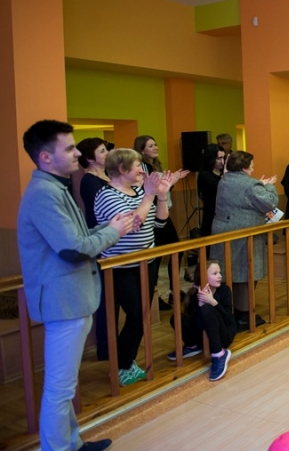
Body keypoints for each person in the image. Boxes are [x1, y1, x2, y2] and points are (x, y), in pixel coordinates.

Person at [18, 120, 134, 451]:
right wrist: (113, 232)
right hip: (63, 301)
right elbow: (74, 248)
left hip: (71, 298)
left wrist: (108, 228)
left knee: (64, 385)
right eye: (69, 148)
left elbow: (77, 238)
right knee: (60, 388)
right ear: (45, 157)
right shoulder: (44, 194)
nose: (76, 154)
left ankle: (72, 444)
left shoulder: (56, 187)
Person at [94, 148, 174, 387]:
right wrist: (149, 196)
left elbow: (160, 223)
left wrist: (161, 196)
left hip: (146, 262)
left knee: (143, 314)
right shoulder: (106, 195)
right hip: (120, 266)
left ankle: (125, 363)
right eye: (138, 165)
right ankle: (120, 365)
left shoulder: (140, 191)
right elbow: (133, 225)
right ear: (121, 169)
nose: (142, 170)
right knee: (136, 314)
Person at [210, 151, 279, 330]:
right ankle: (243, 315)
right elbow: (270, 202)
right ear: (243, 167)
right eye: (252, 166)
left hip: (224, 232)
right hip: (245, 236)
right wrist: (269, 186)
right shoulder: (250, 184)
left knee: (229, 274)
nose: (253, 169)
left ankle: (229, 312)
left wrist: (259, 185)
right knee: (246, 275)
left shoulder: (224, 180)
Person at [133, 135, 189, 309]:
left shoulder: (156, 165)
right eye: (151, 146)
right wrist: (172, 181)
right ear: (142, 150)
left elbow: (163, 190)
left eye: (155, 144)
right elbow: (150, 190)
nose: (155, 147)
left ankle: (174, 291)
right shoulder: (143, 168)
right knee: (157, 256)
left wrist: (172, 181)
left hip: (163, 211)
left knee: (175, 251)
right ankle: (154, 295)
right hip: (152, 215)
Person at [76, 137, 115, 361]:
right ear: (90, 158)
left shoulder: (106, 176)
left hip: (113, 238)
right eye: (102, 151)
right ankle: (105, 346)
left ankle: (113, 344)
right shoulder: (89, 181)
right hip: (100, 240)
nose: (107, 153)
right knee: (106, 297)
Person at [168, 261, 236, 381]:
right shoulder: (195, 293)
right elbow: (198, 324)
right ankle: (193, 346)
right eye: (215, 273)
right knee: (177, 318)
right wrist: (200, 304)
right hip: (203, 335)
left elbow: (229, 319)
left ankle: (219, 354)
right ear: (203, 276)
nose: (220, 276)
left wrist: (213, 302)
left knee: (207, 309)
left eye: (219, 272)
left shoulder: (224, 290)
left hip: (223, 336)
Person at [198, 144, 226, 238]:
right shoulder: (205, 175)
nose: (222, 161)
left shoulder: (223, 173)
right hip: (212, 215)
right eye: (219, 158)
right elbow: (220, 188)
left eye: (223, 158)